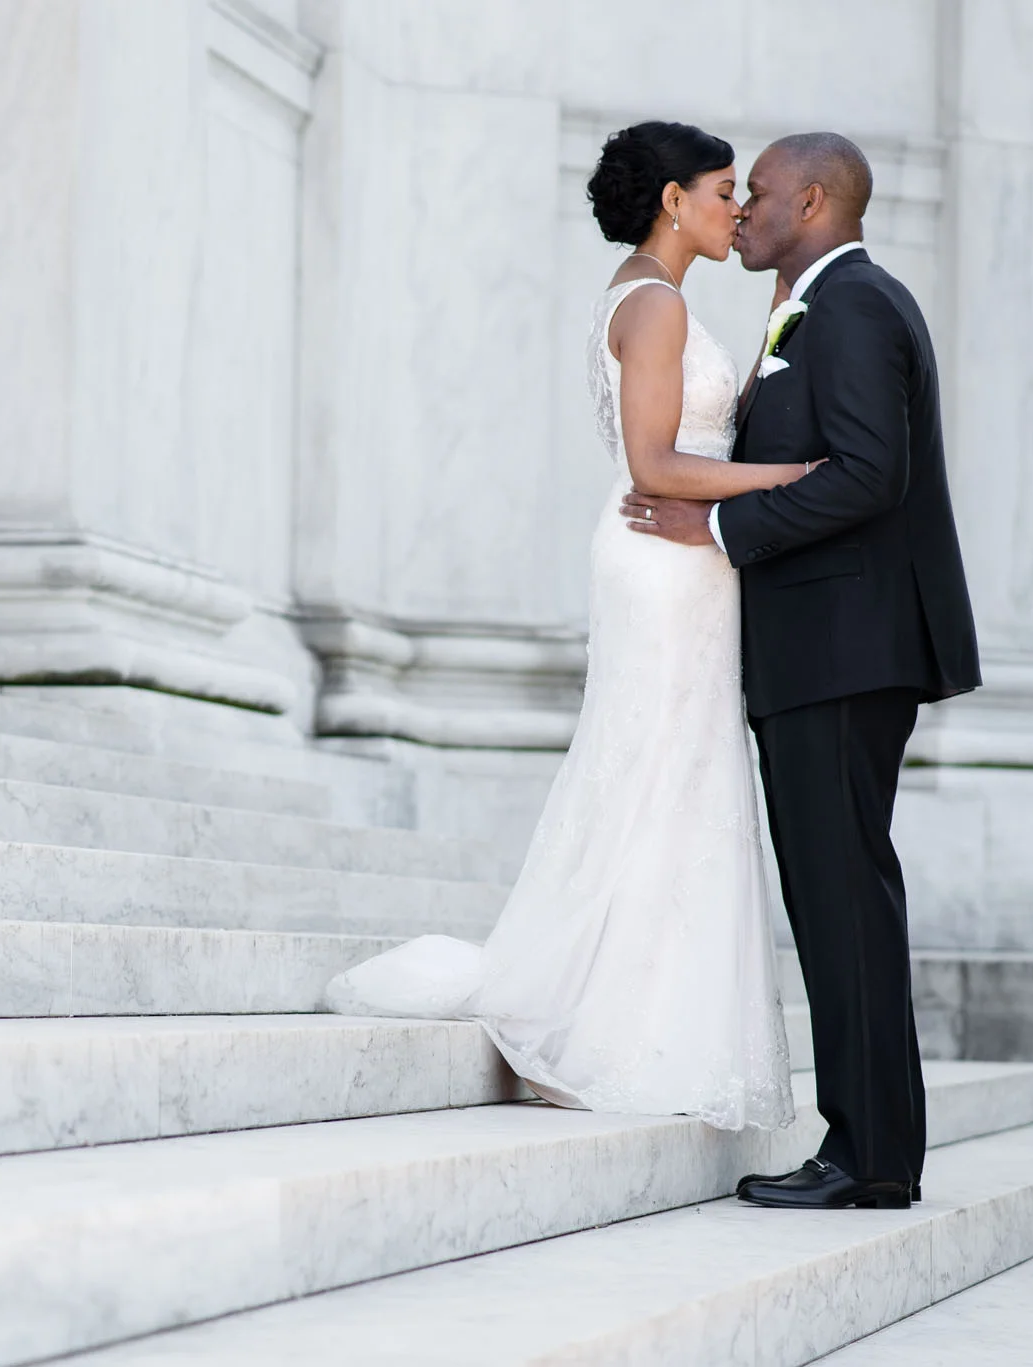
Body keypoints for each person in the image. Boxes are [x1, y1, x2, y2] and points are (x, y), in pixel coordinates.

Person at [325, 121, 814, 1133]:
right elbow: (652, 464)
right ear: (672, 199)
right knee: (651, 770)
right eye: (722, 188)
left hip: (688, 559)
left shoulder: (658, 296)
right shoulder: (651, 304)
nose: (735, 207)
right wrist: (792, 478)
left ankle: (642, 1014)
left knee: (677, 775)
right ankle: (589, 1019)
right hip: (662, 558)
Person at [622, 132, 981, 1209]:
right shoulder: (819, 306)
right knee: (836, 899)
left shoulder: (856, 305)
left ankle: (864, 1154)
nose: (741, 213)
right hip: (823, 650)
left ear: (813, 200)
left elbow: (871, 473)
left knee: (841, 901)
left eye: (760, 195)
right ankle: (868, 1146)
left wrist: (719, 529)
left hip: (843, 649)